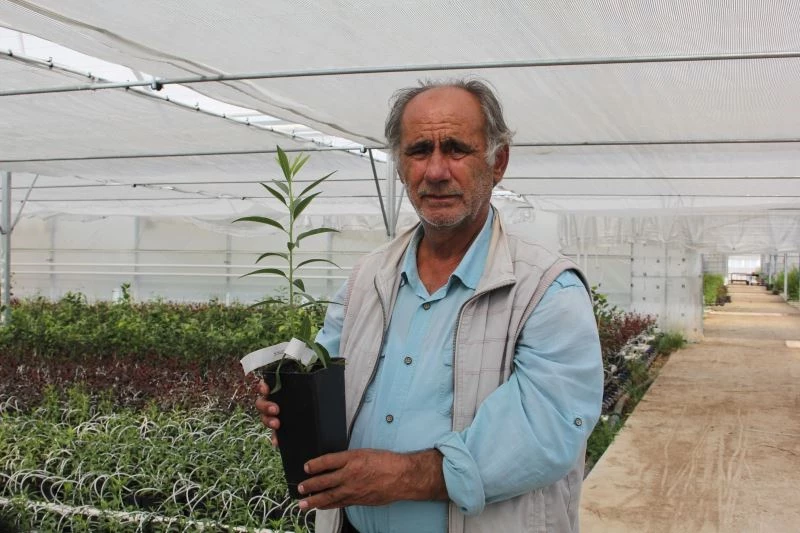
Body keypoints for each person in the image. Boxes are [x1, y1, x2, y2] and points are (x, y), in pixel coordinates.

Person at [255, 78, 603, 533]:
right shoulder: (367, 278)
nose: (436, 171)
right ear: (401, 167)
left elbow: (545, 428)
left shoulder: (545, 289)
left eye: (456, 149)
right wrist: (292, 401)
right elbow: (326, 370)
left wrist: (404, 476)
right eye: (419, 151)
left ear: (498, 162)